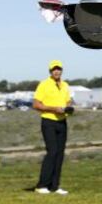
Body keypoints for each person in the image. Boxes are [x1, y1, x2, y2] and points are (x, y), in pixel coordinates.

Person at [33, 60, 73, 195]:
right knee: (52, 152)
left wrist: (68, 108)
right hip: (48, 121)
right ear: (50, 71)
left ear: (62, 70)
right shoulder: (44, 85)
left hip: (62, 122)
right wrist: (53, 109)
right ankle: (41, 185)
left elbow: (68, 101)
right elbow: (36, 104)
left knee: (60, 154)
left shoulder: (65, 85)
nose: (56, 71)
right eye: (54, 69)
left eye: (59, 69)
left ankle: (54, 186)